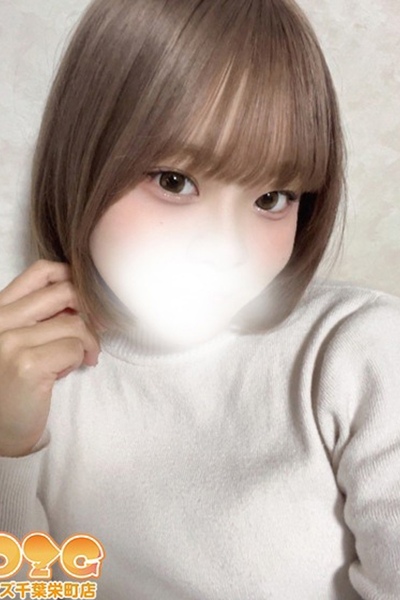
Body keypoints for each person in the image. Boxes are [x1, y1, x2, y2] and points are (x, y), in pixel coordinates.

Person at [0, 0, 399, 598]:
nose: (227, 250)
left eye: (272, 198)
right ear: (83, 160)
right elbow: (30, 589)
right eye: (174, 181)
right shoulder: (31, 377)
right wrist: (7, 452)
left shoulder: (357, 354)